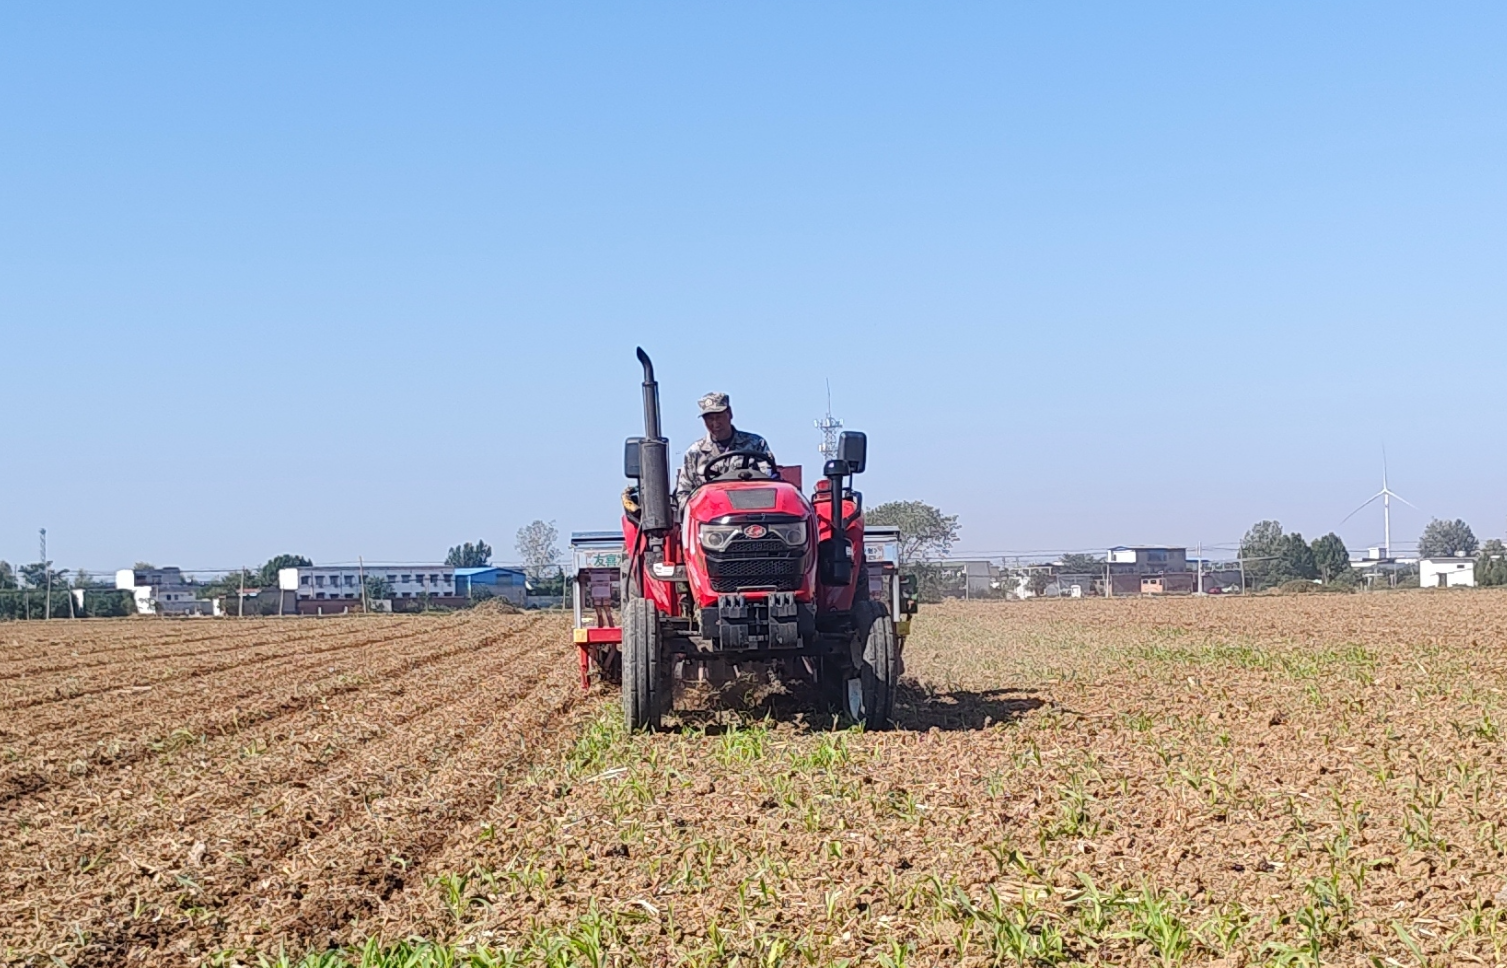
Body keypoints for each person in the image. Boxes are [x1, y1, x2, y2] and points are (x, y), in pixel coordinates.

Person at [675, 392, 777, 505]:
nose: (715, 423)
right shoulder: (694, 453)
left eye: (719, 417)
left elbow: (770, 483)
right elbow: (683, 494)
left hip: (750, 510)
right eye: (709, 419)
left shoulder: (756, 444)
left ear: (730, 413)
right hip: (709, 517)